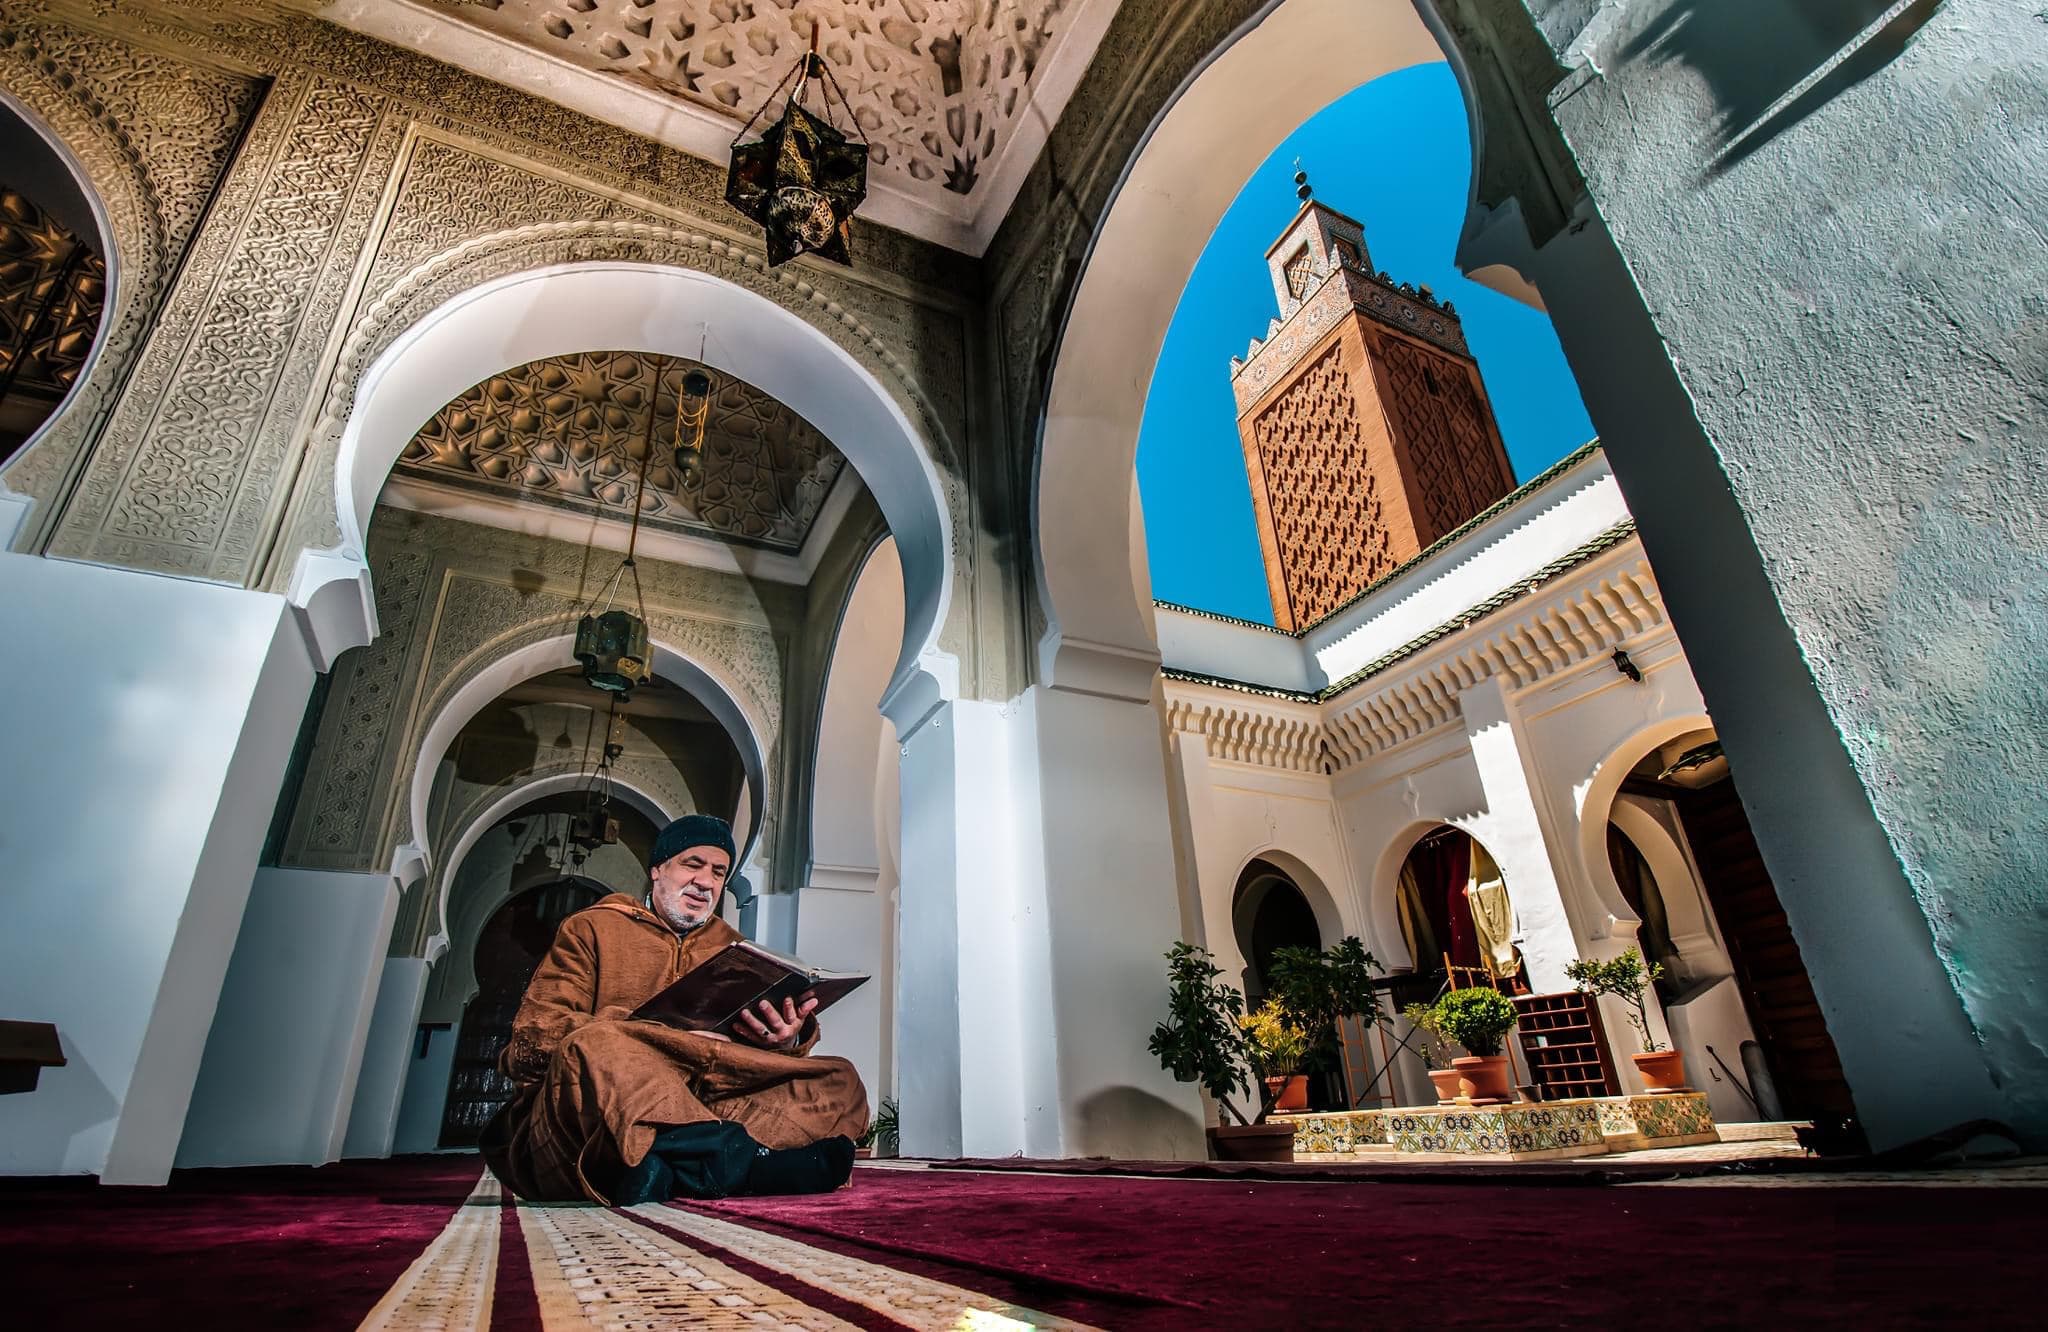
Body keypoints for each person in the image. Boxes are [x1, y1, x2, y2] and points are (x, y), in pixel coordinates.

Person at [481, 814, 869, 1203]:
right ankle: (741, 1163)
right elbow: (533, 1042)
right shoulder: (592, 929)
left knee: (839, 1079)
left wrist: (785, 1041)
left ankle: (671, 1166)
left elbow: (731, 1063)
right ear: (658, 870)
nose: (706, 882)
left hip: (704, 1099)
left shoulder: (734, 949)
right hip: (593, 1112)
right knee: (599, 1046)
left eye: (719, 872)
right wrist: (654, 1037)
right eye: (692, 865)